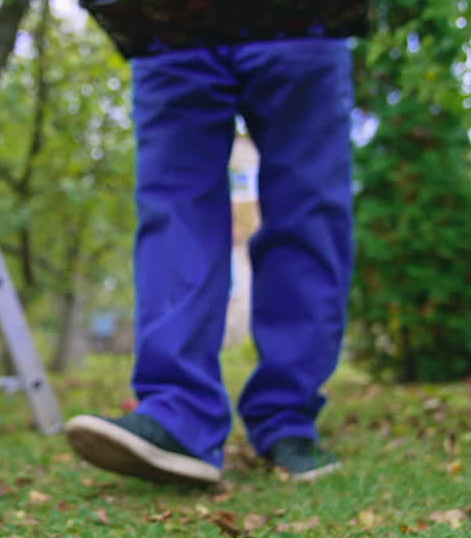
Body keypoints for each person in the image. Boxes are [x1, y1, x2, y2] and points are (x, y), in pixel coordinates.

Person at [65, 38, 354, 485]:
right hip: (174, 19)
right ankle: (179, 416)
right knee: (174, 210)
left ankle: (288, 416)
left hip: (298, 10)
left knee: (308, 207)